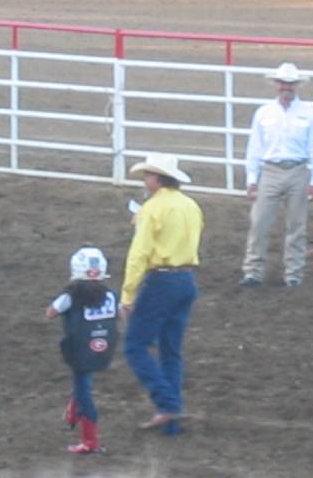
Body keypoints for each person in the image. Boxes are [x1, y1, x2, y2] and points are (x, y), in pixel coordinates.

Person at [119, 152, 203, 433]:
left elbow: (138, 254)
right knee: (171, 350)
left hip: (161, 281)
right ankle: (171, 420)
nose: (144, 181)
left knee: (134, 345)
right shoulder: (191, 206)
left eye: (147, 176)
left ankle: (167, 404)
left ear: (157, 178)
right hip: (186, 280)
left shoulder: (152, 209)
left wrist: (127, 295)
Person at [239, 62, 313, 287]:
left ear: (296, 86)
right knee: (259, 222)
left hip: (298, 170)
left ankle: (294, 273)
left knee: (296, 225)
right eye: (283, 83)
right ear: (277, 85)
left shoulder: (310, 114)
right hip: (270, 170)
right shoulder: (264, 113)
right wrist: (251, 179)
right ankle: (253, 271)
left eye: (290, 84)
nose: (286, 87)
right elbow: (255, 148)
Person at [45, 246, 118, 454]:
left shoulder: (70, 296)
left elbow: (50, 313)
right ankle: (74, 409)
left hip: (79, 350)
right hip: (104, 349)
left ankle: (90, 441)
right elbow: (121, 314)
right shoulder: (111, 295)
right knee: (84, 383)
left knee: (83, 390)